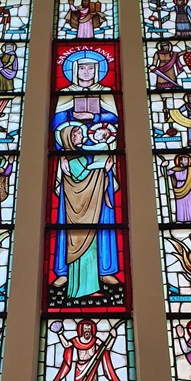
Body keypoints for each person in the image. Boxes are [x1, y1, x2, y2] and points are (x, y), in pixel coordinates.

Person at [53, 124, 119, 298]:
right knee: (86, 246)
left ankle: (85, 287)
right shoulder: (71, 157)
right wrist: (104, 170)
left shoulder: (75, 155)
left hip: (84, 208)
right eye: (78, 134)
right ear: (70, 137)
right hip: (79, 210)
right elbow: (81, 179)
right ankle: (85, 290)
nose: (82, 137)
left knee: (89, 245)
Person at [167, 154, 191, 222]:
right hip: (179, 187)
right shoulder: (175, 169)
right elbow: (165, 173)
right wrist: (162, 166)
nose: (186, 162)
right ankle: (180, 219)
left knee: (190, 203)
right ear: (180, 161)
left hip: (188, 186)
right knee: (180, 204)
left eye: (187, 160)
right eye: (184, 160)